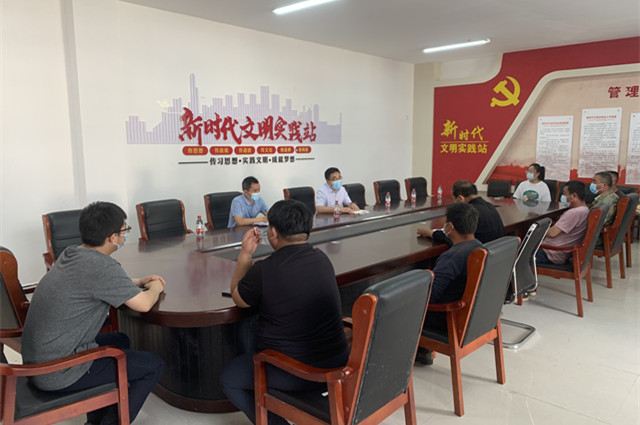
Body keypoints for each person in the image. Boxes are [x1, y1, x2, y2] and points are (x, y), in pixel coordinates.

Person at [21, 201, 165, 425]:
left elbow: (95, 282)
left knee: (120, 340)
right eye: (125, 230)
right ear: (113, 237)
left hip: (39, 360)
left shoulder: (72, 253)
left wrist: (137, 281)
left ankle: (96, 418)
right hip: (57, 371)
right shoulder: (102, 267)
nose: (125, 235)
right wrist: (155, 286)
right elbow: (144, 304)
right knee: (153, 365)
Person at [221, 199, 349, 425]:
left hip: (296, 372)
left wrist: (245, 254)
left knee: (230, 378)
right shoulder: (322, 259)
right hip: (338, 360)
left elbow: (238, 297)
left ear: (272, 232)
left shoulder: (266, 269)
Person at [415, 203, 482, 365]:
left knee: (399, 305)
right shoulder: (479, 247)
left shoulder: (451, 257)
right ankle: (422, 350)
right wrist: (434, 234)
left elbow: (430, 297)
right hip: (475, 317)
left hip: (447, 319)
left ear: (450, 226)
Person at [417, 180, 504, 244]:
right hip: (495, 256)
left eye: (454, 199)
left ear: (460, 198)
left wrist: (431, 233)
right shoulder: (490, 206)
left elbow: (456, 239)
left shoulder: (469, 213)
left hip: (477, 257)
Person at [536, 181, 589, 264]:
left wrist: (535, 230)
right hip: (559, 252)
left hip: (549, 254)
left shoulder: (574, 213)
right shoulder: (585, 210)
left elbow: (552, 233)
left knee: (517, 250)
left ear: (574, 195)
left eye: (564, 193)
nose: (563, 196)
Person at [590, 171, 619, 245]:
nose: (591, 184)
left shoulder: (606, 201)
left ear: (604, 185)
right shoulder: (610, 196)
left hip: (596, 237)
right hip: (597, 234)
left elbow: (599, 222)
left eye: (594, 181)